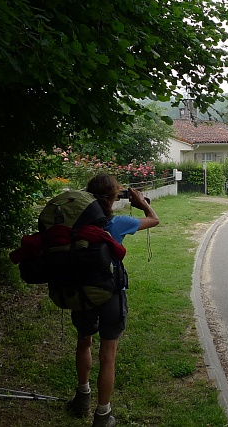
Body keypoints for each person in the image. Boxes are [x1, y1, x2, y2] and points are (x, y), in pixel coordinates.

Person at [66, 173, 160, 427]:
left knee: (83, 341)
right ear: (112, 197)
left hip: (82, 291)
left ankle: (82, 397)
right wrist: (142, 203)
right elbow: (154, 220)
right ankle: (103, 414)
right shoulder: (117, 223)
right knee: (108, 354)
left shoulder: (76, 225)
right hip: (110, 292)